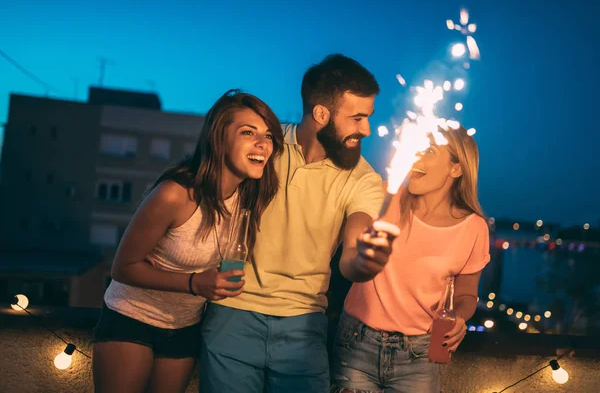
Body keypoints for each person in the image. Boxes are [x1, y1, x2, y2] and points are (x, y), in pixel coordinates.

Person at [199, 54, 400, 393]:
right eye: (357, 117)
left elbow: (352, 253)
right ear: (321, 114)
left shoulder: (363, 178)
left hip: (304, 326)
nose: (366, 129)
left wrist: (366, 260)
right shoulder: (265, 148)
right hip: (233, 311)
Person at [91, 89, 284, 393]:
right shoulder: (175, 194)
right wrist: (195, 283)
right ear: (219, 138)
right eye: (248, 132)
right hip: (132, 318)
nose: (263, 143)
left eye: (270, 136)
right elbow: (122, 268)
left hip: (185, 328)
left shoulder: (250, 197)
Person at [330, 125, 491, 393]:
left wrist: (460, 318)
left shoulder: (474, 228)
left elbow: (466, 295)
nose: (415, 157)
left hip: (419, 355)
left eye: (428, 151)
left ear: (456, 168)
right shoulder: (382, 197)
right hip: (356, 342)